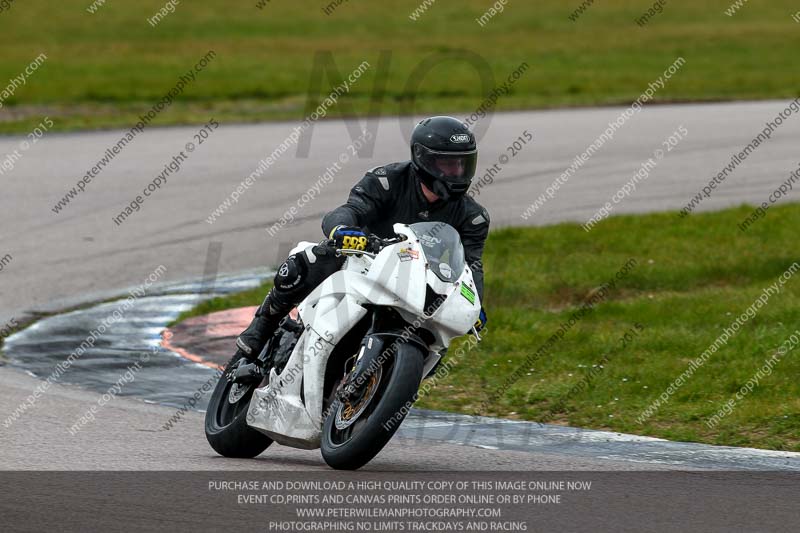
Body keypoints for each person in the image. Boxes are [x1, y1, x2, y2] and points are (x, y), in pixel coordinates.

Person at [234, 116, 490, 362]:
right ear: (423, 159)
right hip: (362, 259)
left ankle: (392, 388)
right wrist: (344, 230)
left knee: (438, 335)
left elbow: (471, 266)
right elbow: (351, 209)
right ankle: (262, 325)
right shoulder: (387, 180)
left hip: (415, 281)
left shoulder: (474, 217)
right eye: (447, 164)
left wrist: (474, 305)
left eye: (462, 164)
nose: (456, 172)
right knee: (308, 261)